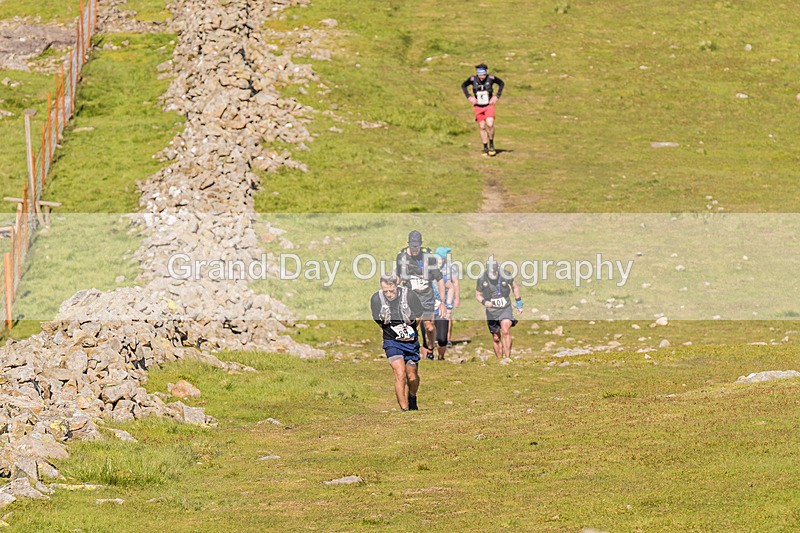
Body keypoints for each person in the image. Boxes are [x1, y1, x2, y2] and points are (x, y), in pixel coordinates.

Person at [370, 272, 425, 411]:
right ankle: (404, 410)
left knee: (412, 377)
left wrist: (410, 328)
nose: (389, 294)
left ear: (397, 285)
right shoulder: (376, 299)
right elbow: (377, 319)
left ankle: (412, 396)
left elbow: (419, 315)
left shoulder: (410, 296)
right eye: (385, 291)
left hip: (410, 341)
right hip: (391, 341)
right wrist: (391, 331)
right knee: (400, 373)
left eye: (391, 290)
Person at [396, 230, 447, 360]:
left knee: (429, 327)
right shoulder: (401, 257)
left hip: (427, 297)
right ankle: (412, 352)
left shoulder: (428, 258)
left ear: (421, 244)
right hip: (410, 296)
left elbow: (439, 279)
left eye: (417, 246)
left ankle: (430, 348)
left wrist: (442, 301)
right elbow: (398, 277)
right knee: (413, 324)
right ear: (408, 244)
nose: (414, 249)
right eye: (412, 246)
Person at [475, 259, 523, 359]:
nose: (492, 274)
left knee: (505, 330)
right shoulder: (482, 279)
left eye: (494, 272)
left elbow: (515, 287)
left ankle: (508, 358)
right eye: (490, 272)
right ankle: (499, 360)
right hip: (492, 311)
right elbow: (478, 295)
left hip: (505, 307)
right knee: (496, 337)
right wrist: (484, 302)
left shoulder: (506, 275)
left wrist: (519, 303)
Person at [461, 63, 505, 157]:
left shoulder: (491, 78)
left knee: (490, 124)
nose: (482, 77)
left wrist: (496, 96)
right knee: (482, 126)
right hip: (478, 106)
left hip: (489, 105)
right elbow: (463, 85)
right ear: (477, 74)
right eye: (480, 75)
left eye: (484, 75)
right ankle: (485, 147)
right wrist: (469, 97)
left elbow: (501, 83)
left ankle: (491, 144)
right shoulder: (473, 79)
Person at [434, 246, 460, 356]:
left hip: (448, 295)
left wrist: (457, 297)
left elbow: (455, 283)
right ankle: (436, 337)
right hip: (435, 296)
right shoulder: (432, 266)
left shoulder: (450, 267)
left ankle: (447, 338)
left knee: (447, 316)